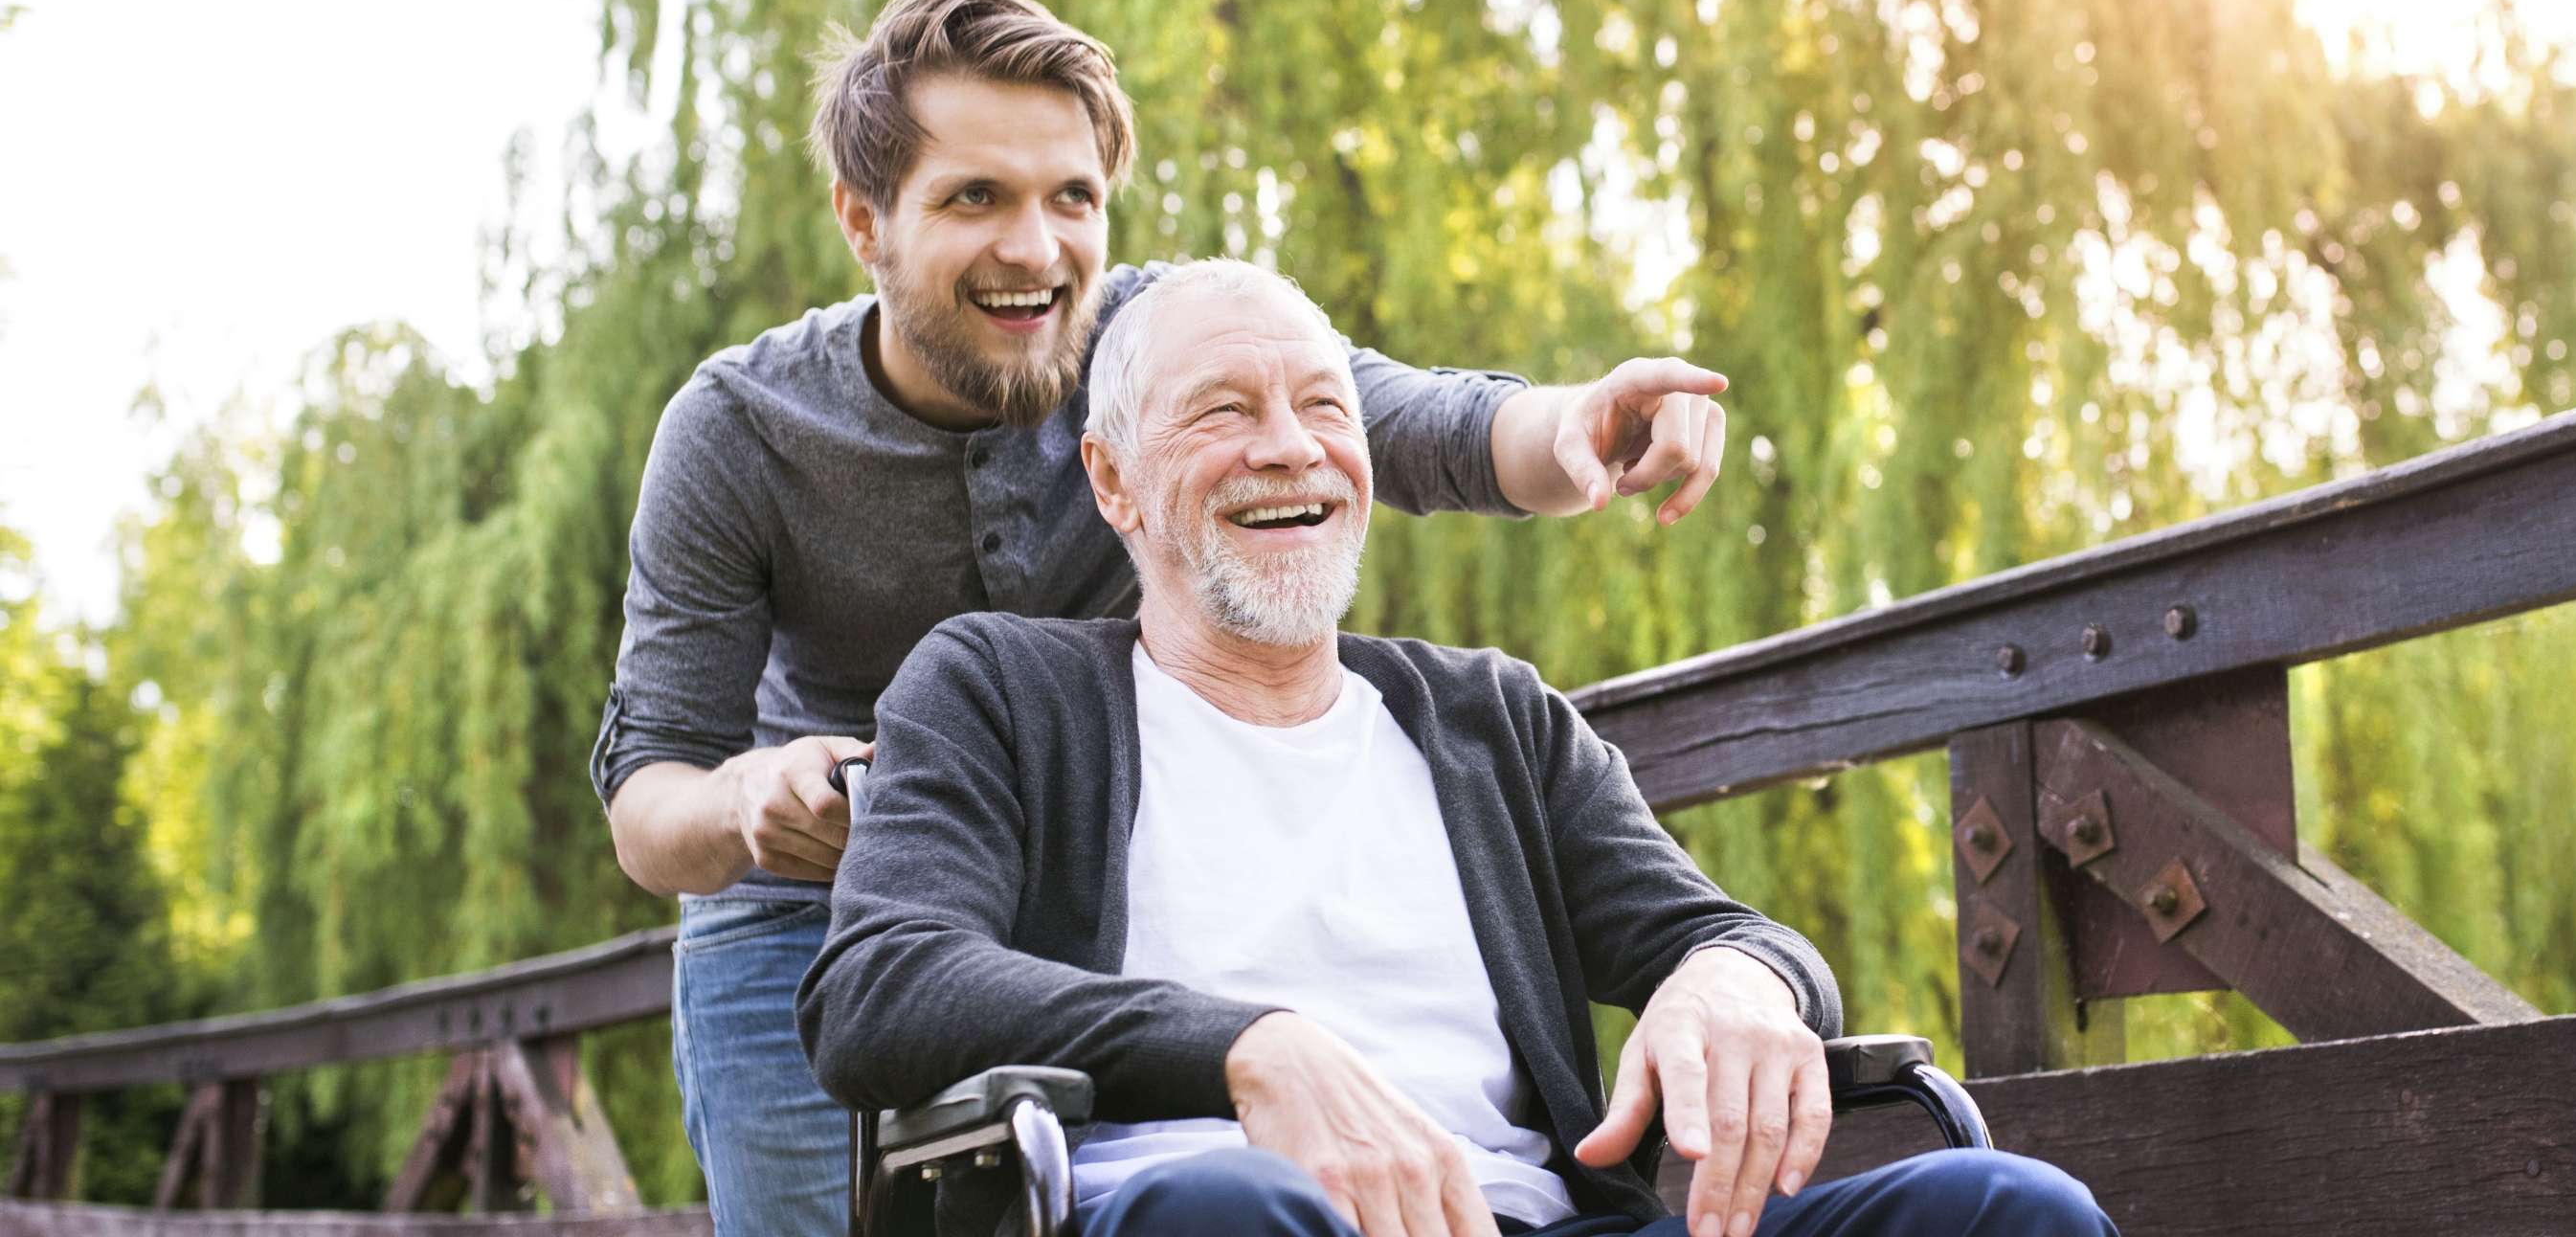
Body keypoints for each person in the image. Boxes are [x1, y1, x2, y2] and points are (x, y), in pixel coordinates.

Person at [590, 0, 1735, 1232]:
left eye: (1071, 197)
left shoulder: (1157, 343)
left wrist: (1577, 428)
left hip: (1083, 886)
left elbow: (1407, 423)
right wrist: (744, 800)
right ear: (864, 221)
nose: (1035, 248)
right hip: (808, 918)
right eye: (976, 198)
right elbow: (649, 801)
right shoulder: (736, 432)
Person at [799, 260, 2115, 1237]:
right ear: (1113, 481)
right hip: (1212, 1217)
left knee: (2006, 1208)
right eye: (1223, 412)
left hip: (1536, 1223)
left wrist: (1739, 978)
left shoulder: (1493, 718)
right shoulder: (998, 690)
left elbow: (1724, 935)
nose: (1288, 446)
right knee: (1234, 1211)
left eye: (1324, 406)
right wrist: (1251, 1047)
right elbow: (882, 989)